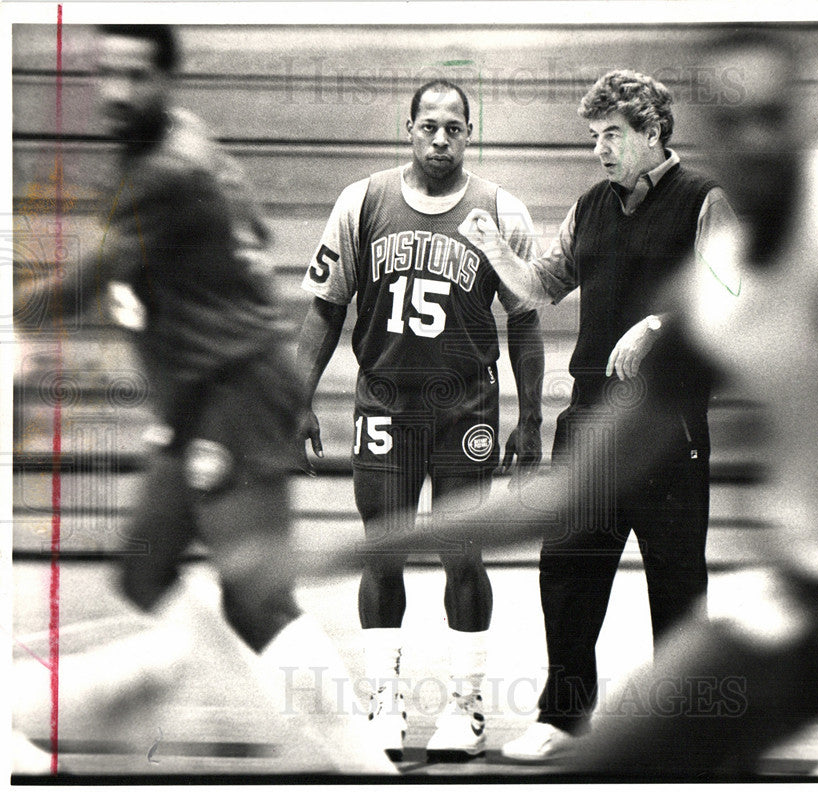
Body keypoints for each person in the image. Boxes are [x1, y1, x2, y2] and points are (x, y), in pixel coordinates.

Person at [559, 31, 818, 779]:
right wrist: (345, 548)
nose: (755, 138)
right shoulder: (715, 289)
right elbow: (558, 496)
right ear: (710, 129)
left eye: (771, 114)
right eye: (734, 119)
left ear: (801, 113)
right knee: (622, 754)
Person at [15, 25, 394, 775]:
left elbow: (81, 287)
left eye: (137, 76)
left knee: (255, 597)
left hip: (237, 390)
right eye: (106, 74)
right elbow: (241, 237)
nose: (118, 92)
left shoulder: (167, 168)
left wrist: (16, 308)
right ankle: (216, 694)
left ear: (167, 80)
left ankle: (366, 767)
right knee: (144, 573)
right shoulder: (183, 145)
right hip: (196, 393)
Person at [458, 68, 739, 760]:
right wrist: (497, 253)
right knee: (570, 569)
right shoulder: (589, 205)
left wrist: (658, 327)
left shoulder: (706, 200)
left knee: (676, 578)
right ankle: (563, 715)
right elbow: (540, 286)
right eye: (594, 136)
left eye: (613, 134)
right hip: (588, 419)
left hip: (666, 424)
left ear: (653, 132)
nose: (600, 149)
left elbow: (737, 295)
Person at [295, 79, 544, 761]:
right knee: (383, 552)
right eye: (428, 126)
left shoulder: (501, 211)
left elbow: (524, 322)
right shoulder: (362, 201)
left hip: (465, 403)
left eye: (454, 128)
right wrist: (299, 397)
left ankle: (466, 710)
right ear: (408, 128)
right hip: (386, 402)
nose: (440, 139)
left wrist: (529, 416)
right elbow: (324, 308)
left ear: (470, 133)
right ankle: (386, 705)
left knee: (465, 554)